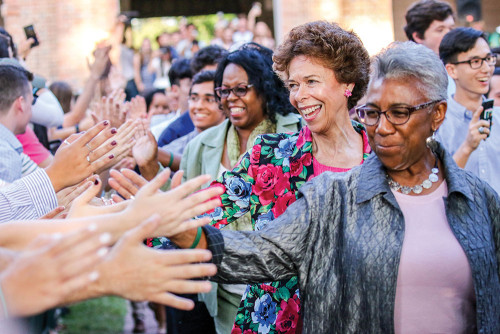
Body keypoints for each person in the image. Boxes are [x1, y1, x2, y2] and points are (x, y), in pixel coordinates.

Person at [169, 41, 500, 334]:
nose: (300, 95)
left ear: (347, 85)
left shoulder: (396, 158)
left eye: (312, 81)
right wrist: (149, 218)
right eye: (293, 85)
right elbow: (221, 214)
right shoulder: (275, 157)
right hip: (282, 319)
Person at [437, 27, 500, 194]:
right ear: (451, 70)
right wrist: (467, 147)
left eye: (488, 59)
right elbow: (434, 188)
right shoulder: (436, 122)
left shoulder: (498, 116)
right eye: (476, 62)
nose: (486, 68)